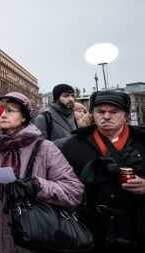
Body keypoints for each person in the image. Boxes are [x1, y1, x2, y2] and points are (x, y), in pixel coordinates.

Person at [0, 92, 83, 253]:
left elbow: (74, 191)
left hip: (33, 234)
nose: (2, 115)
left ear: (24, 117)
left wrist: (37, 186)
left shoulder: (45, 148)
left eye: (10, 111)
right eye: (0, 110)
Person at [61, 91, 145, 252]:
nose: (106, 116)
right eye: (100, 111)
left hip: (136, 226)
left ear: (126, 115)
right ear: (92, 113)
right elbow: (60, 180)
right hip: (89, 229)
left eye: (113, 112)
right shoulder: (74, 144)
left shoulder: (141, 142)